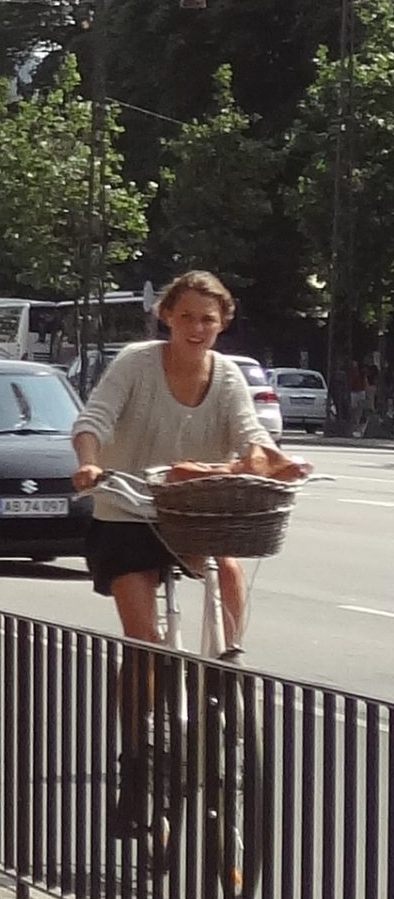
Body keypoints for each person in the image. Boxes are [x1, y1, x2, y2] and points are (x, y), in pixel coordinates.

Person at [70, 271, 305, 649]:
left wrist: (276, 461)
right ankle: (145, 675)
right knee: (145, 643)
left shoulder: (228, 375)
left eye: (207, 319)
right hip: (128, 513)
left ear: (222, 323)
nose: (197, 329)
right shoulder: (135, 362)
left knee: (227, 565)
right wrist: (88, 463)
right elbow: (94, 419)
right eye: (186, 317)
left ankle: (226, 659)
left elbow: (250, 433)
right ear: (167, 316)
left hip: (192, 515)